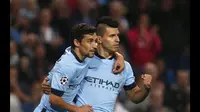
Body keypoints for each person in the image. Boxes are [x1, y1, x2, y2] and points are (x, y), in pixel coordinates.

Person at [42, 17, 152, 112]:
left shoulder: (125, 67)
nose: (117, 40)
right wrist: (49, 81)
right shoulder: (83, 59)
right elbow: (59, 75)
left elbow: (134, 97)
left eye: (117, 35)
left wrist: (146, 89)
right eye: (112, 36)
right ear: (99, 39)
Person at [34, 23, 125, 112]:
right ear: (77, 42)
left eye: (95, 41)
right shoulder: (68, 66)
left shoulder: (85, 53)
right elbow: (54, 99)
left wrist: (119, 56)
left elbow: (105, 49)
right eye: (89, 41)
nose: (95, 45)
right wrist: (77, 109)